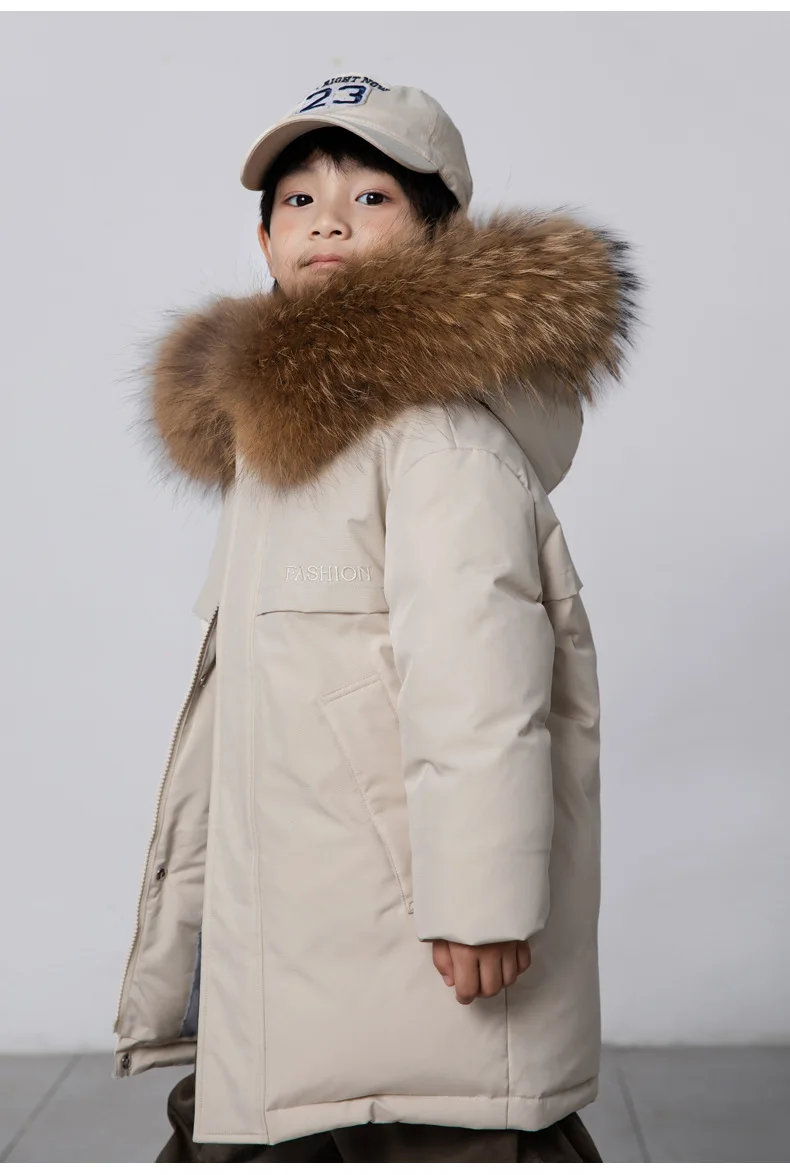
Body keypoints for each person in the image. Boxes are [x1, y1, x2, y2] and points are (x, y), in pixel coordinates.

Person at [113, 73, 640, 1162]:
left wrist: (485, 900)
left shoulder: (437, 437)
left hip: (405, 929)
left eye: (370, 197)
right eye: (298, 200)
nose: (329, 222)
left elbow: (481, 675)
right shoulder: (279, 445)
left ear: (440, 230)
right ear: (263, 240)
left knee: (442, 1126)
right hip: (305, 926)